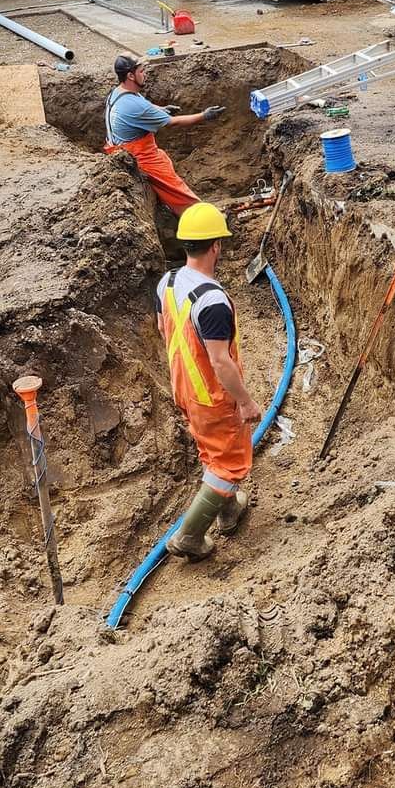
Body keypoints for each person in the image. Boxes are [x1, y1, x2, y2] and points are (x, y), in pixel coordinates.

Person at [156, 202, 261, 560]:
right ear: (216, 245)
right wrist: (245, 401)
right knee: (229, 463)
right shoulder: (212, 301)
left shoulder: (168, 282)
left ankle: (228, 511)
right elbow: (220, 361)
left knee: (213, 450)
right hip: (212, 397)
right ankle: (189, 536)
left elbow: (164, 328)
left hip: (184, 387)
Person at [104, 54, 225, 213]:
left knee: (163, 158)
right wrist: (205, 115)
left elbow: (142, 104)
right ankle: (199, 214)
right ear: (130, 76)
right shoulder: (134, 106)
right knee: (177, 189)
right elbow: (172, 123)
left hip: (119, 148)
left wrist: (161, 109)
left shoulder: (119, 92)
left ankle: (164, 204)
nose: (145, 74)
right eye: (141, 71)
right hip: (138, 157)